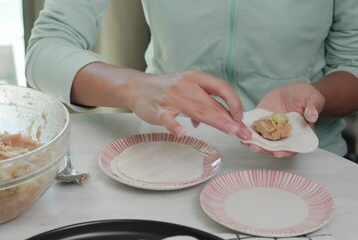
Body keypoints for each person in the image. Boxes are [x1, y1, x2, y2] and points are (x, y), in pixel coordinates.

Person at [25, 0, 358, 158]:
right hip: (171, 156)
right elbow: (45, 52)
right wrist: (135, 87)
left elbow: (353, 65)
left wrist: (317, 95)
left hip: (312, 164)